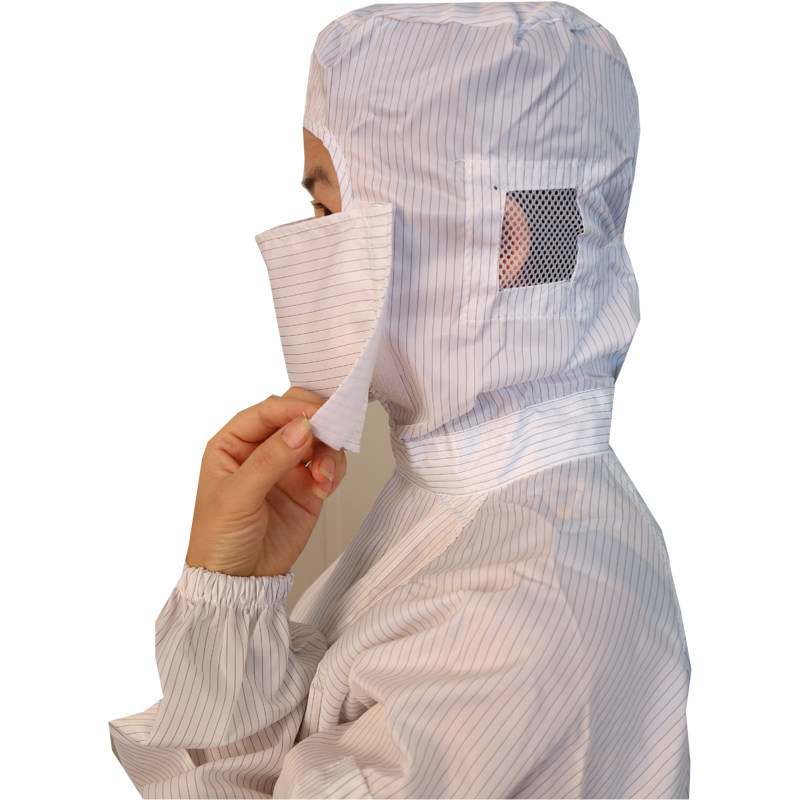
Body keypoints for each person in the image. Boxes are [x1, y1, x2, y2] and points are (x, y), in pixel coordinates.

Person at [109, 3, 690, 797]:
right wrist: (236, 592)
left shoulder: (517, 607)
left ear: (507, 241)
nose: (312, 246)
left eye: (326, 212)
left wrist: (223, 599)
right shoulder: (474, 497)